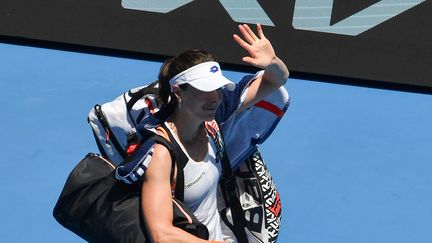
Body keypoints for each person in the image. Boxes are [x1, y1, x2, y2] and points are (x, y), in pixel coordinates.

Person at [139, 24, 289, 243]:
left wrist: (272, 62)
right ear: (179, 91)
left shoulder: (213, 117)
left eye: (217, 88)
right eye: (205, 90)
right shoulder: (162, 154)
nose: (215, 98)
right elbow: (161, 234)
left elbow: (277, 80)